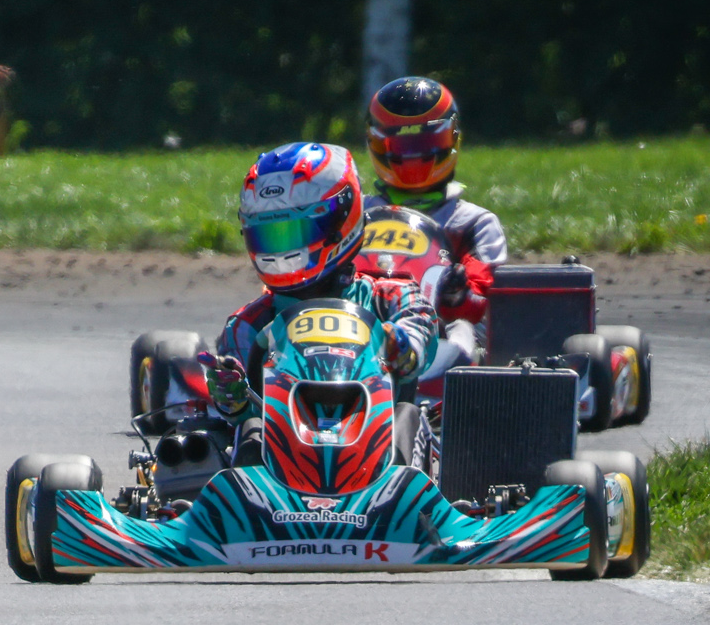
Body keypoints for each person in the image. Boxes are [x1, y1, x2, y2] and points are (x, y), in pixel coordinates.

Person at [206, 141, 439, 417]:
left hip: (387, 434)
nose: (280, 252)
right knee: (249, 431)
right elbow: (241, 415)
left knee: (408, 417)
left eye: (293, 233)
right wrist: (232, 396)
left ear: (341, 220)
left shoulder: (392, 298)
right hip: (283, 439)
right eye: (269, 236)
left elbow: (419, 339)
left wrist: (401, 347)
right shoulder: (245, 326)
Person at [364, 75, 505, 338]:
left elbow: (484, 305)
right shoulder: (356, 214)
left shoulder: (473, 223)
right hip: (357, 328)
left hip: (440, 336)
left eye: (423, 144)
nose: (412, 156)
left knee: (462, 330)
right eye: (400, 145)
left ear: (451, 139)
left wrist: (456, 294)